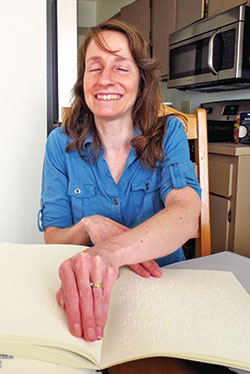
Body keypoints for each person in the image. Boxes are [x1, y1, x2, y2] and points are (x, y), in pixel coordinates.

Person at [38, 19, 201, 343]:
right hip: (86, 291)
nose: (105, 79)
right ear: (83, 81)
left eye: (121, 68)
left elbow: (186, 215)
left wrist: (108, 253)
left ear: (141, 79)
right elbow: (54, 237)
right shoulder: (59, 143)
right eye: (94, 68)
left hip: (162, 287)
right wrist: (88, 224)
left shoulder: (169, 133)